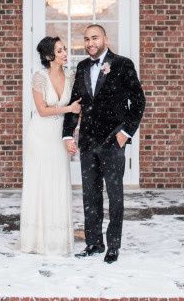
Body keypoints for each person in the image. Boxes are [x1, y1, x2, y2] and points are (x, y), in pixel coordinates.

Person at [62, 24, 146, 263]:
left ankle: (113, 246)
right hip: (87, 142)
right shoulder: (81, 67)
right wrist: (68, 134)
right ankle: (94, 243)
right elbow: (75, 102)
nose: (90, 43)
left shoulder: (122, 64)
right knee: (90, 195)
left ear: (105, 39)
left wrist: (126, 132)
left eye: (94, 38)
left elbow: (138, 101)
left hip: (113, 141)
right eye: (86, 39)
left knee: (115, 195)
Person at [20, 36, 81, 255]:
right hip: (40, 135)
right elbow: (43, 110)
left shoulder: (72, 76)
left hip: (59, 135)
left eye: (64, 49)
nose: (65, 53)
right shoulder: (39, 77)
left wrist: (71, 133)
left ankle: (57, 239)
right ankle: (35, 239)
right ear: (48, 56)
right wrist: (68, 109)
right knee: (40, 182)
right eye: (59, 51)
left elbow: (79, 108)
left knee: (58, 180)